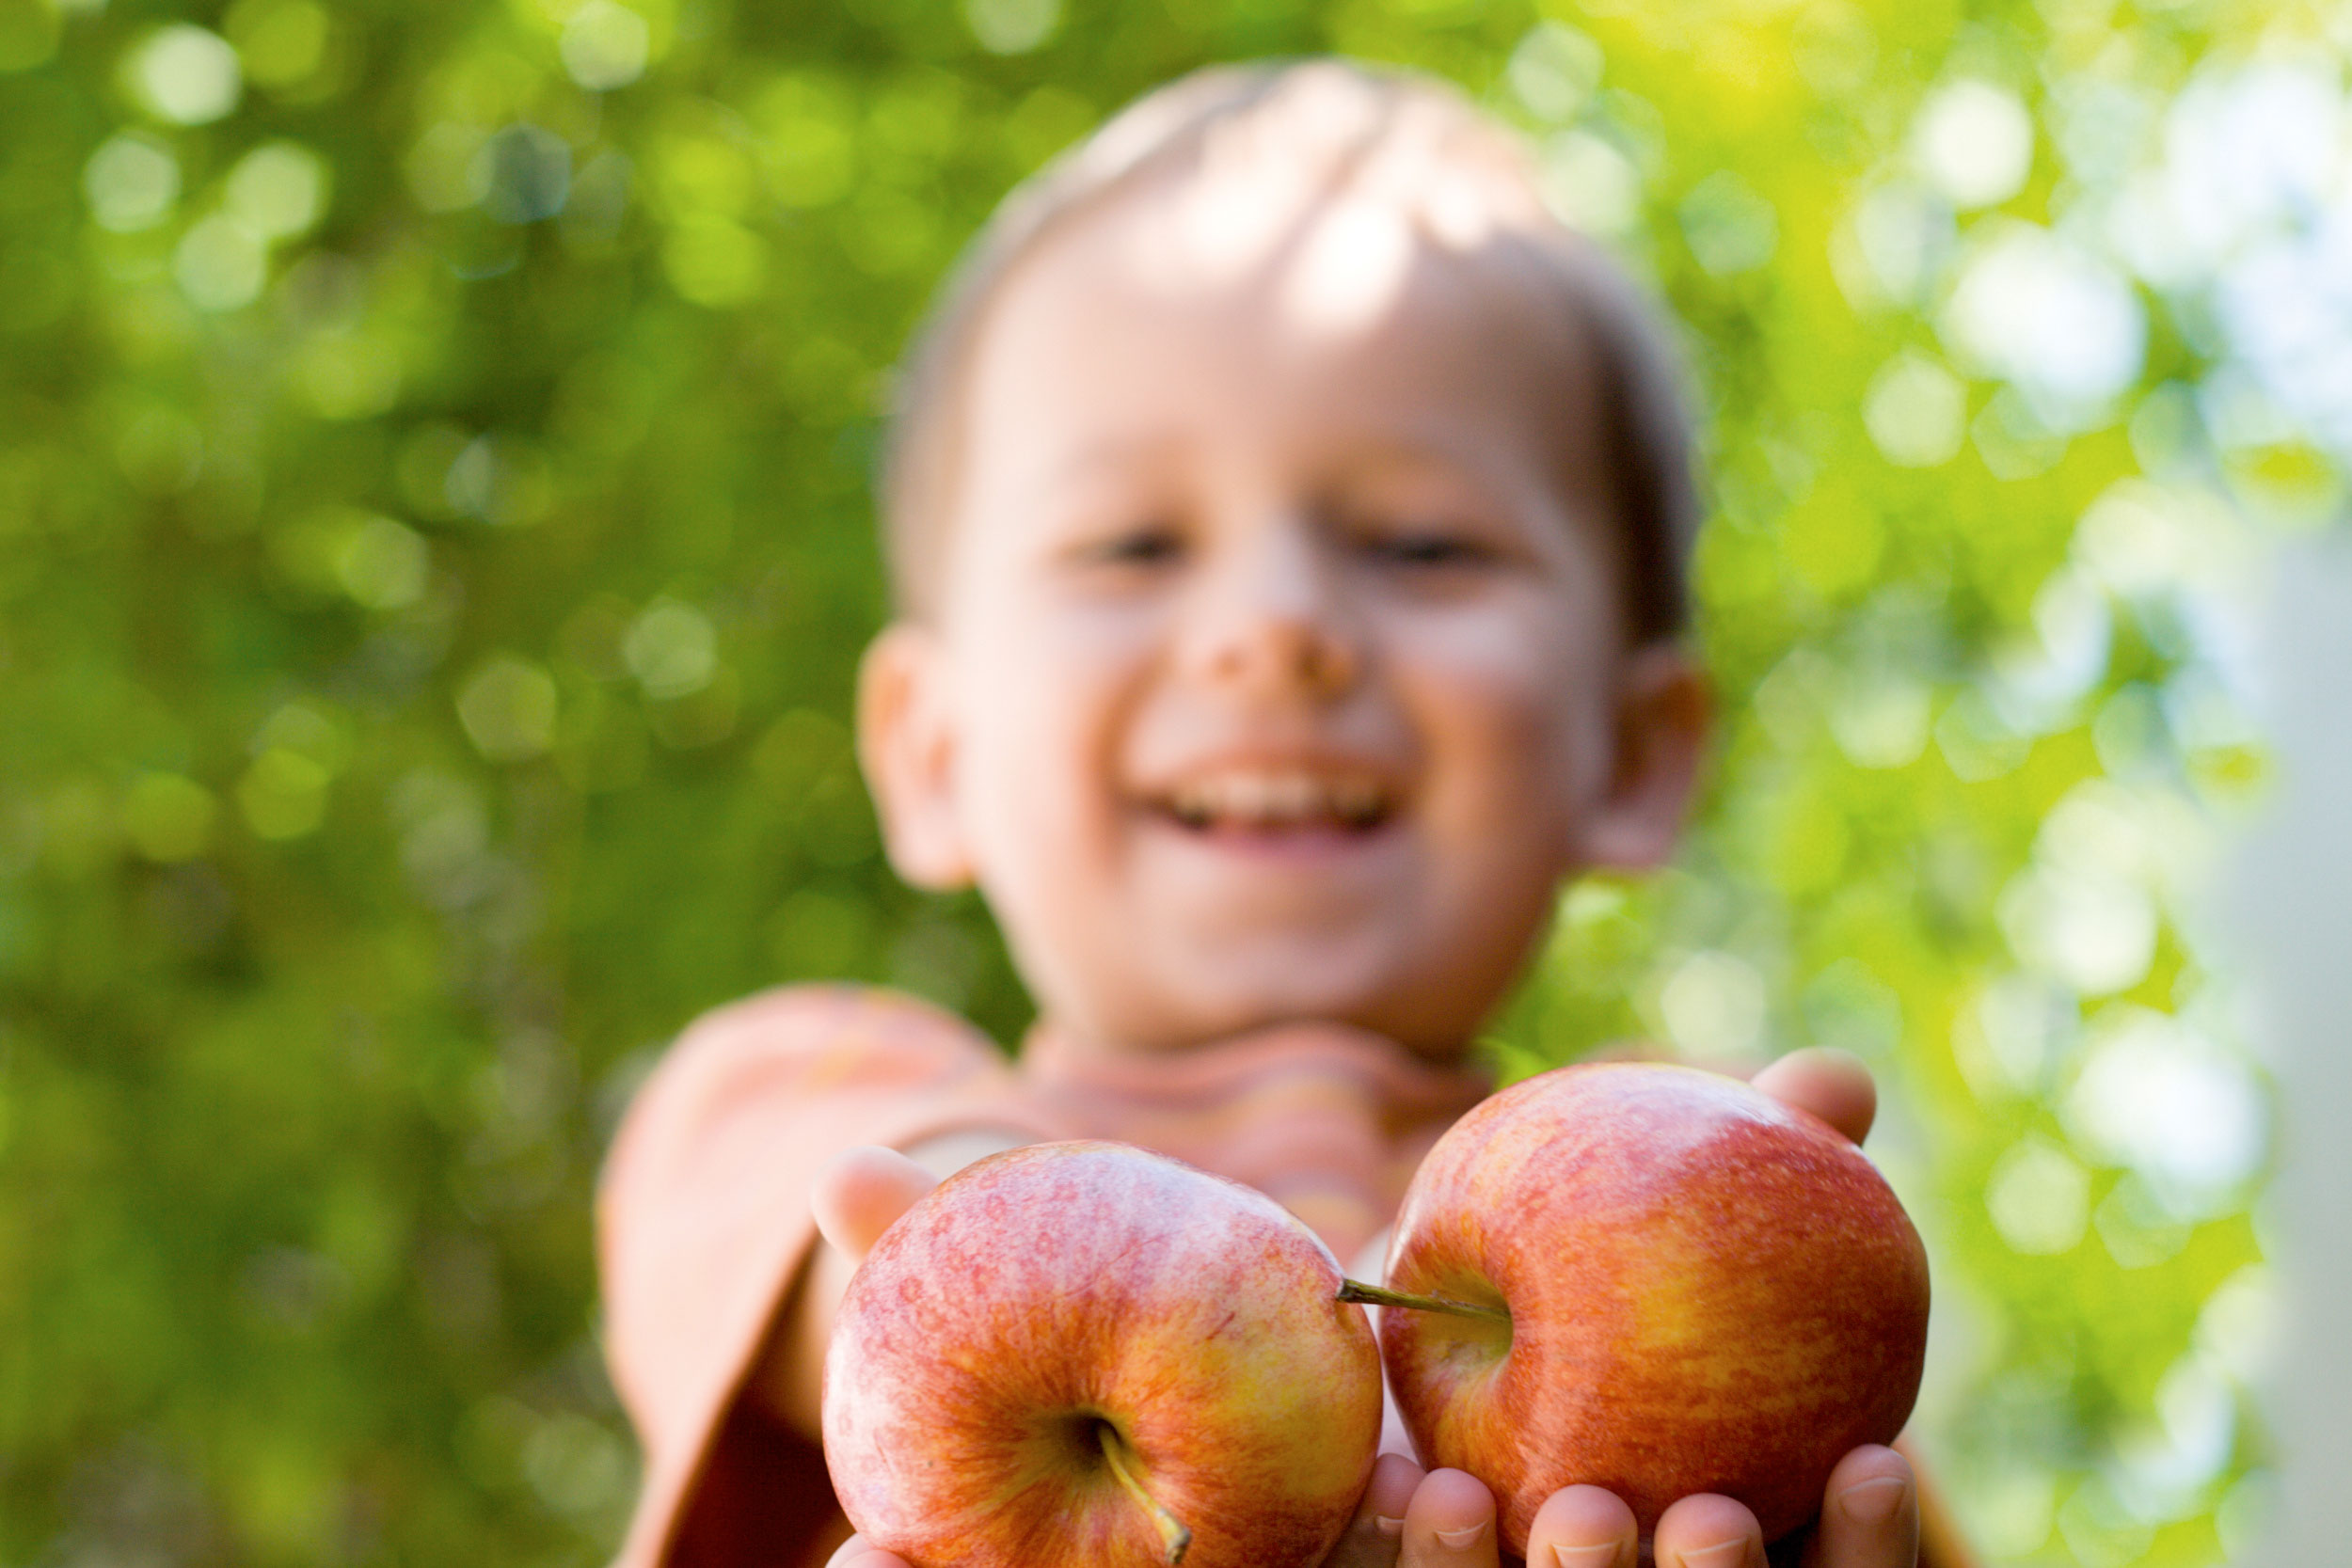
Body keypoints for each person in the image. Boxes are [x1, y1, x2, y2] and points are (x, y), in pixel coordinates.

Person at [596, 59, 1972, 1568]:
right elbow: (823, 1223)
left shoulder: (1687, 1164)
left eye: (1424, 547)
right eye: (1131, 546)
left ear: (1635, 753)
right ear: (931, 750)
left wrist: (1756, 1294)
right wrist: (1018, 1250)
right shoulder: (809, 1080)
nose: (1275, 627)